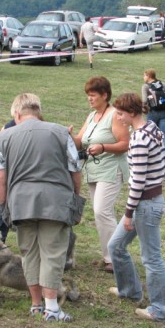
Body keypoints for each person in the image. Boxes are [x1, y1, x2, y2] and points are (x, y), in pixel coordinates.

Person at [0, 93, 82, 322]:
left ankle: (36, 304)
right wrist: (75, 201)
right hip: (56, 201)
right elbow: (75, 169)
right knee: (52, 253)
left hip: (21, 202)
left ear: (16, 113)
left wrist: (4, 205)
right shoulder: (62, 132)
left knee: (28, 252)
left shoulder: (4, 137)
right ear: (38, 110)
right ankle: (52, 307)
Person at [107, 92, 165, 322]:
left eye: (120, 114)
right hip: (149, 204)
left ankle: (162, 310)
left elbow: (138, 182)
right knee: (116, 246)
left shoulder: (140, 139)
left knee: (152, 259)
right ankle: (129, 291)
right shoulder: (152, 129)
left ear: (132, 113)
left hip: (144, 207)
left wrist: (129, 213)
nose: (118, 117)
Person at [72, 76, 130, 273]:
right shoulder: (91, 116)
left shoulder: (114, 115)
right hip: (93, 170)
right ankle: (110, 255)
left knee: (101, 211)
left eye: (93, 95)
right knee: (101, 213)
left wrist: (104, 146)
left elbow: (125, 144)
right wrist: (67, 136)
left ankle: (115, 257)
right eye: (88, 95)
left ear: (105, 95)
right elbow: (80, 141)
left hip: (111, 169)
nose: (89, 99)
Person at [141, 68, 165, 159]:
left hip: (152, 112)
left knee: (151, 134)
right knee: (164, 134)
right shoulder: (163, 84)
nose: (143, 77)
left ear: (148, 76)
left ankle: (152, 155)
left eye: (144, 75)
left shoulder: (145, 86)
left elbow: (144, 100)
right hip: (164, 113)